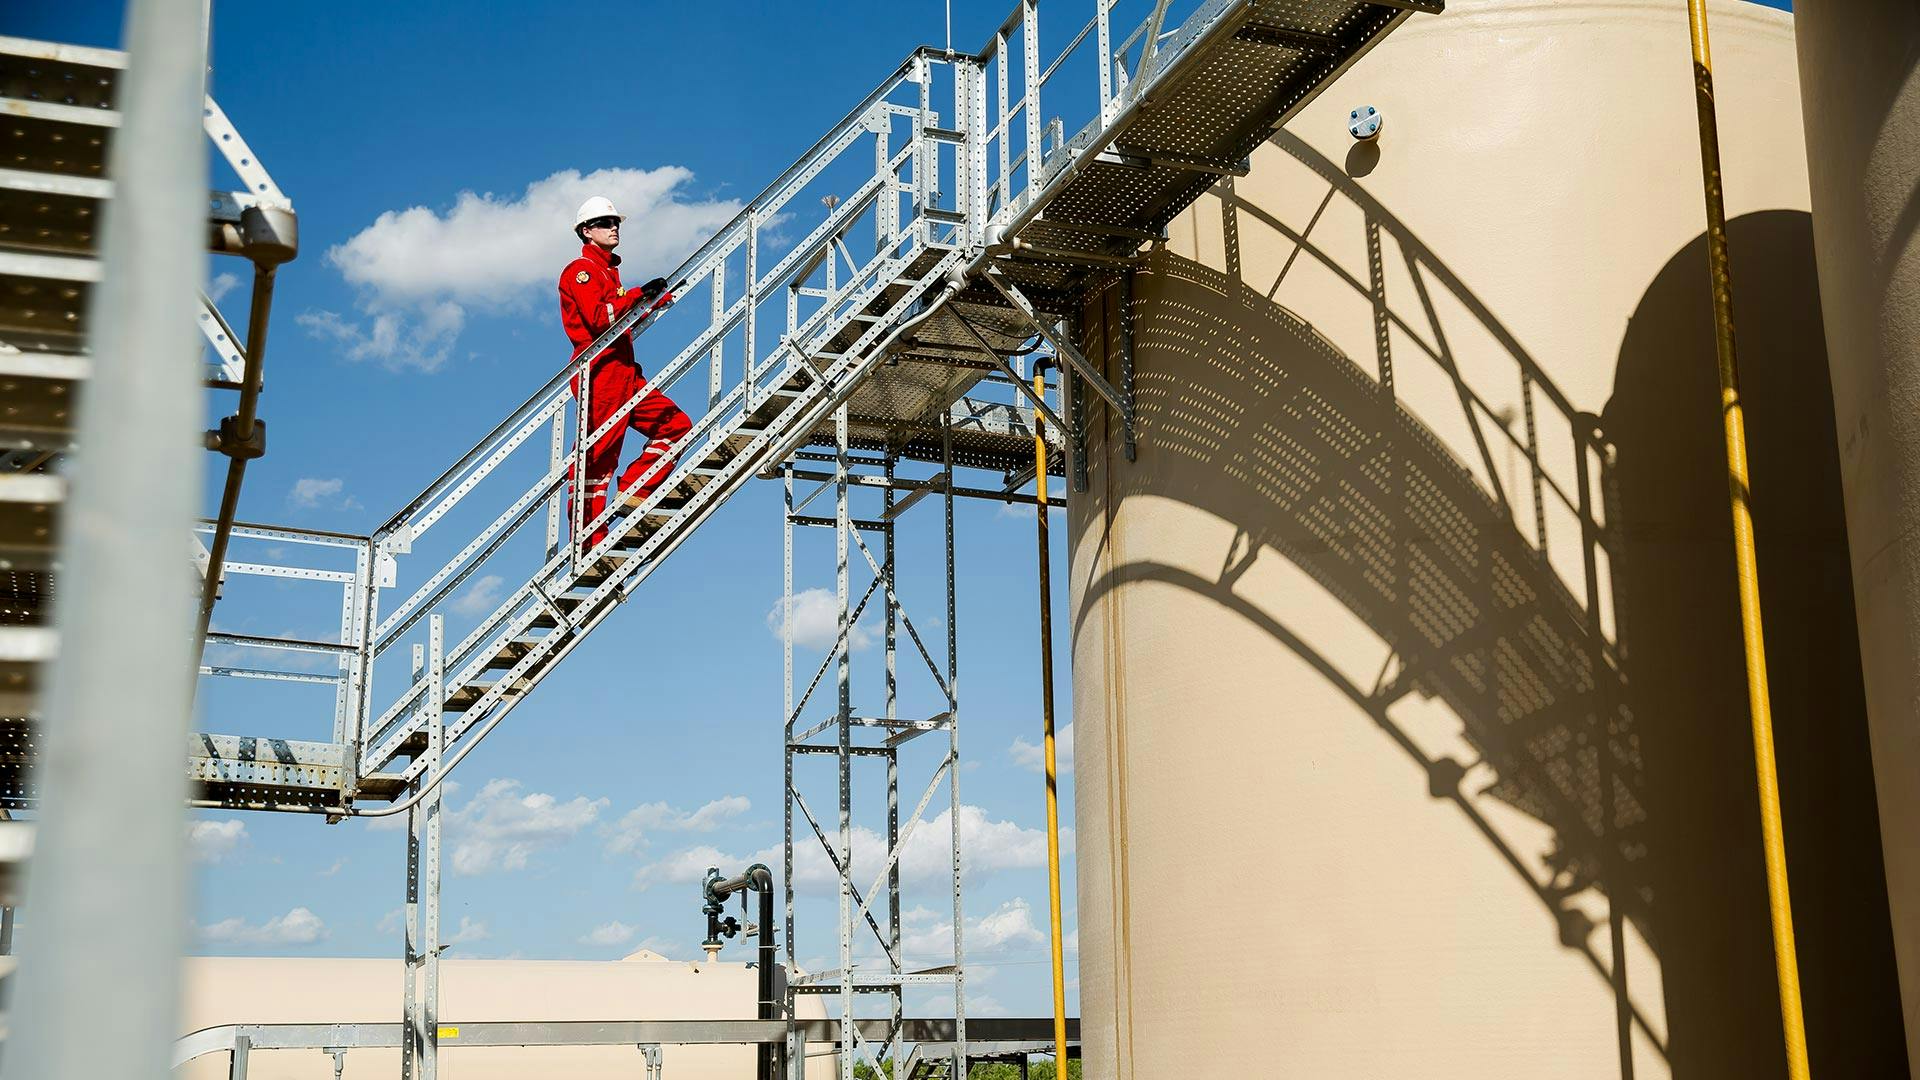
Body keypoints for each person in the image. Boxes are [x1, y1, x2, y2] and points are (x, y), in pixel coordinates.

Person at [557, 195, 692, 553]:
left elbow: (620, 319)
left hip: (626, 374)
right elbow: (601, 319)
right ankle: (587, 546)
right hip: (600, 375)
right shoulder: (579, 271)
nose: (613, 227)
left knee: (675, 426)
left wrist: (651, 302)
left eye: (615, 222)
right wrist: (636, 296)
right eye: (604, 223)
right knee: (597, 459)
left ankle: (636, 489)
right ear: (586, 232)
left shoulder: (608, 271)